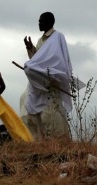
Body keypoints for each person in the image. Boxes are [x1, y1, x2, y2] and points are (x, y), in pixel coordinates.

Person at [20, 12, 76, 140]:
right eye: (39, 21)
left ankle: (60, 140)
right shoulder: (40, 41)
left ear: (50, 22)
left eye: (42, 21)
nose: (39, 24)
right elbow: (38, 61)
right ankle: (39, 139)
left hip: (53, 80)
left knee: (52, 111)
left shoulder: (57, 37)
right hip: (40, 80)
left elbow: (59, 59)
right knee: (26, 104)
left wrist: (50, 73)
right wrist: (30, 49)